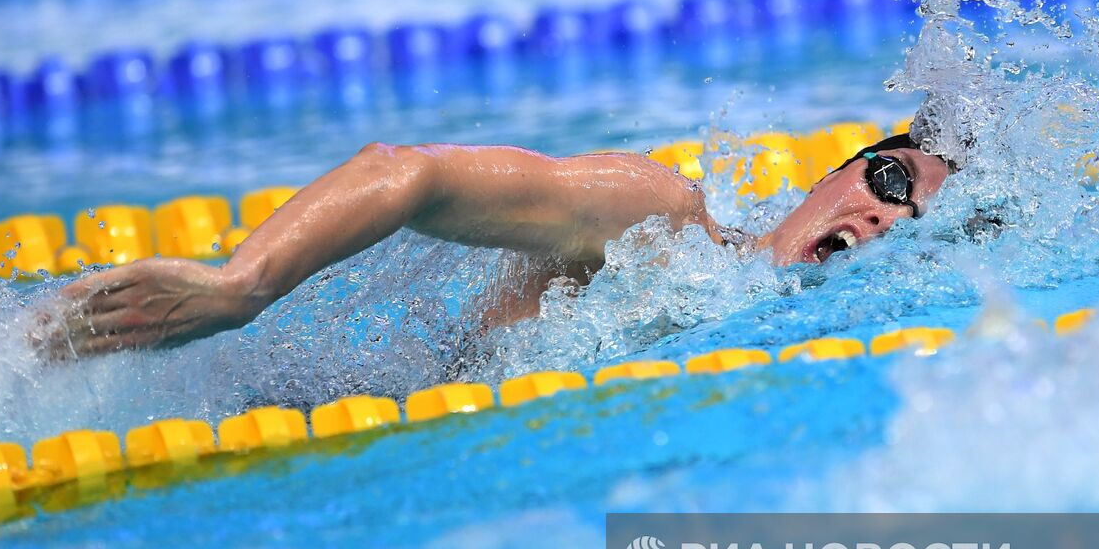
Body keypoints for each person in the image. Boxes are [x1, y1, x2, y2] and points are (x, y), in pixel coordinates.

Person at [54, 132, 950, 355]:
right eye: (893, 183)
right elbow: (410, 174)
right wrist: (239, 285)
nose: (884, 219)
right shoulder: (663, 222)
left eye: (914, 226)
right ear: (837, 173)